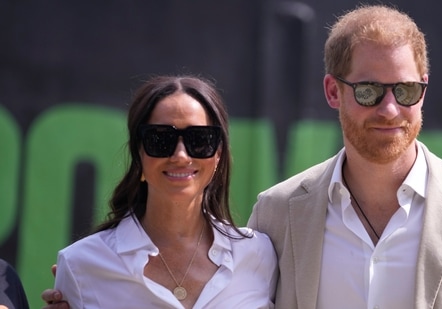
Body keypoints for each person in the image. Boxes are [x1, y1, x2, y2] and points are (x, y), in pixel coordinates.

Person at [246, 4, 442, 309]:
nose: (389, 109)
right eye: (369, 90)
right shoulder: (276, 214)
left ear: (423, 91)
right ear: (333, 91)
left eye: (406, 90)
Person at [42, 75, 277, 309]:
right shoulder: (80, 265)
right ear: (139, 153)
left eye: (200, 140)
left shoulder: (259, 255)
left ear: (218, 155)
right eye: (161, 139)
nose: (181, 156)